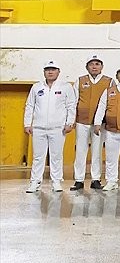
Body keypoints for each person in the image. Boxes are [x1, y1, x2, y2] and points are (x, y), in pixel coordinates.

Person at [23, 61, 76, 193]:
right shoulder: (36, 87)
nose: (50, 72)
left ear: (58, 71)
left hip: (58, 128)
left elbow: (71, 106)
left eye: (53, 69)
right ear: (44, 72)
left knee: (56, 155)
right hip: (38, 128)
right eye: (47, 69)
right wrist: (27, 124)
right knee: (38, 156)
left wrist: (70, 123)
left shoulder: (65, 87)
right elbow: (30, 106)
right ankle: (35, 182)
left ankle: (56, 181)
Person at [72, 55, 110, 190]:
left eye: (97, 64)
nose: (94, 66)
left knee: (97, 150)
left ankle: (96, 179)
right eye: (92, 64)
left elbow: (110, 102)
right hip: (82, 121)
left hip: (100, 123)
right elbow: (74, 101)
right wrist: (72, 119)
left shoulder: (109, 81)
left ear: (102, 67)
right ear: (87, 66)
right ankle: (79, 179)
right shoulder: (80, 80)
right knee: (80, 150)